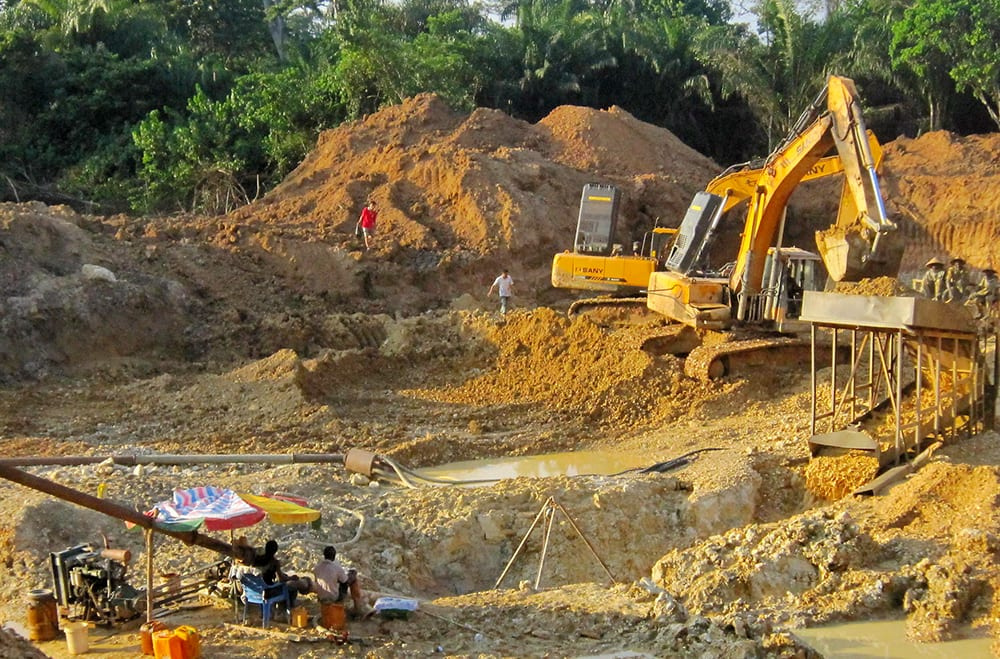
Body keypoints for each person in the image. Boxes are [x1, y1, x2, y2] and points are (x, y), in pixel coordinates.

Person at [311, 545, 364, 614]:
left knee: (336, 580)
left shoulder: (317, 568)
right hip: (333, 598)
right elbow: (345, 581)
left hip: (321, 597)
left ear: (324, 555)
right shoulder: (336, 568)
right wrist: (353, 574)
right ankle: (357, 607)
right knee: (352, 580)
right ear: (334, 557)